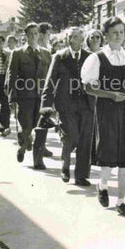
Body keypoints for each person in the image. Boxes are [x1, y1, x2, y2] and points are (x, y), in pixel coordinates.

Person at [81, 17, 125, 216]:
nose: (118, 36)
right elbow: (88, 87)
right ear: (106, 35)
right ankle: (103, 184)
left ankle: (121, 200)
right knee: (108, 155)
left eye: (121, 32)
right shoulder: (96, 58)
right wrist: (110, 94)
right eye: (114, 32)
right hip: (107, 111)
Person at [41, 27, 96, 185]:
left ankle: (81, 175)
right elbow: (50, 81)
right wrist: (46, 106)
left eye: (76, 36)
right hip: (66, 104)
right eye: (70, 37)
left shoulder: (90, 57)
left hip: (87, 104)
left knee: (85, 140)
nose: (72, 40)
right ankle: (65, 165)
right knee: (72, 137)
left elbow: (96, 79)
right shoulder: (59, 57)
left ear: (82, 38)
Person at [6, 22, 52, 168]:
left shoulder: (46, 53)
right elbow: (11, 76)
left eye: (36, 33)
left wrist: (52, 96)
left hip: (42, 97)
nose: (33, 36)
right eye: (30, 34)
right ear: (25, 36)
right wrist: (12, 97)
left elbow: (51, 77)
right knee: (26, 126)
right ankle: (23, 145)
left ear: (39, 35)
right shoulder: (18, 53)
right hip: (25, 96)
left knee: (40, 128)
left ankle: (38, 161)